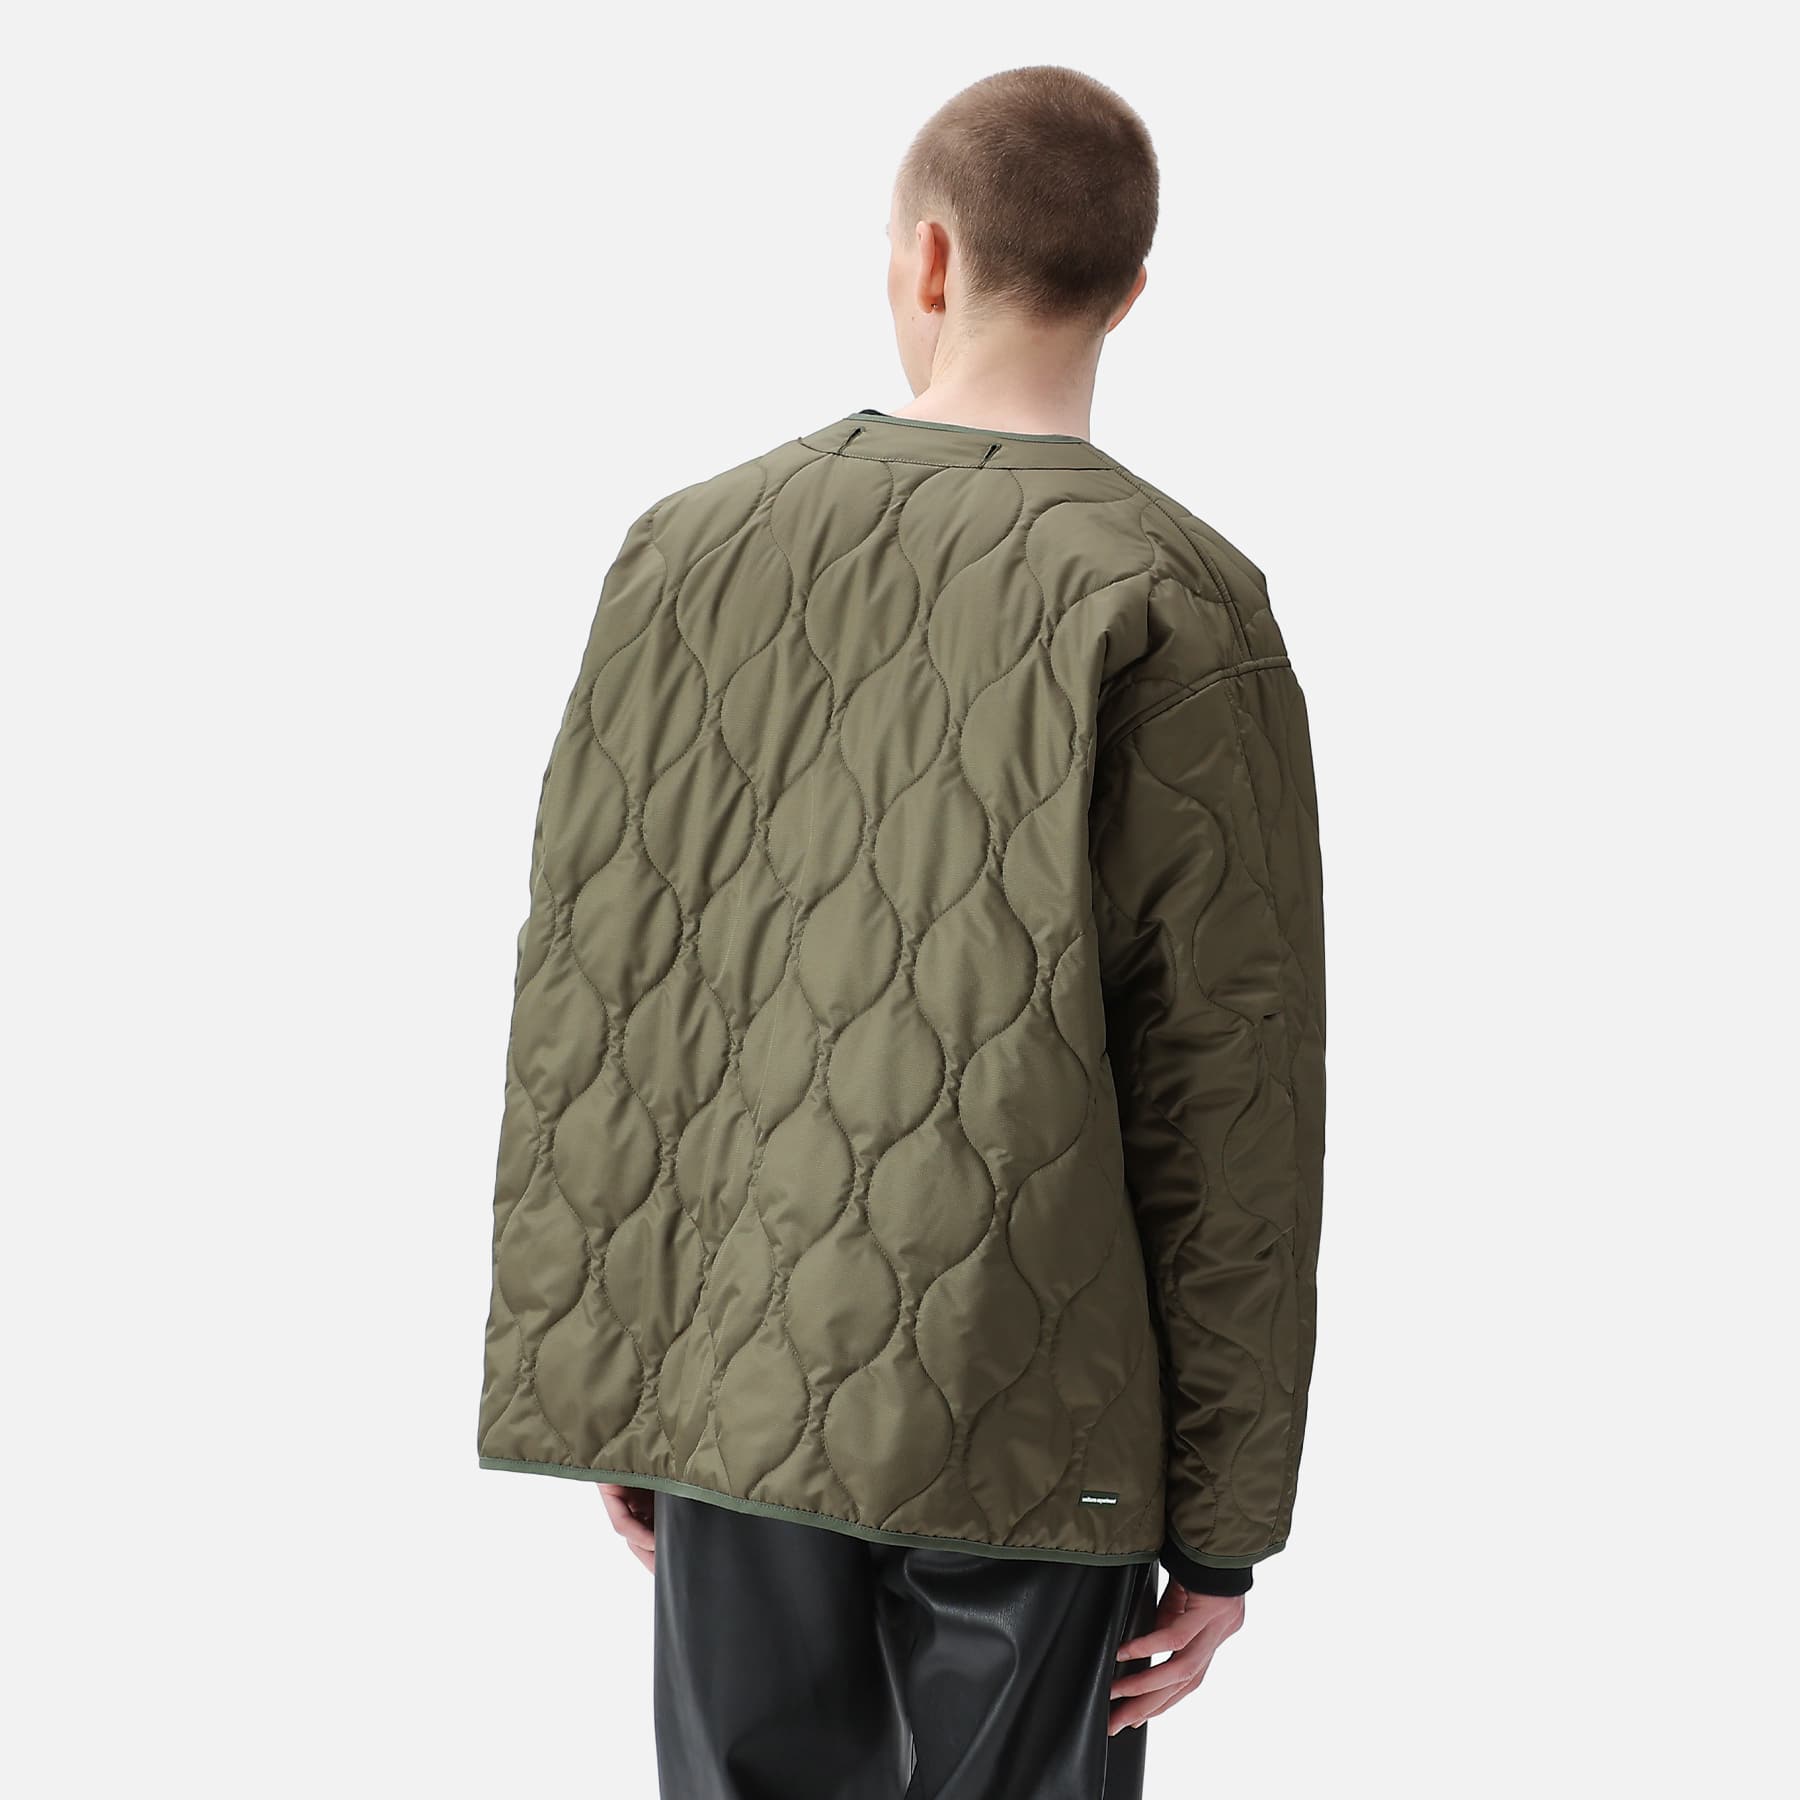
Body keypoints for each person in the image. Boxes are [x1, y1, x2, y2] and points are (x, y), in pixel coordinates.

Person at [476, 63, 1327, 1800]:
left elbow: (603, 979)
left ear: (926, 258)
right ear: (1131, 292)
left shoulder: (688, 549)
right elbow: (1232, 1084)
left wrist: (627, 1378)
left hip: (730, 1384)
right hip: (1040, 1415)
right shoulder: (1174, 597)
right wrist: (1225, 1525)